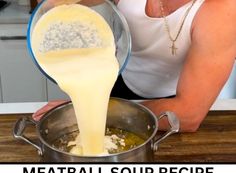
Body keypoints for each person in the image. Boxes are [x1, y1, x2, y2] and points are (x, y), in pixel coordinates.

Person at [34, 0, 236, 132]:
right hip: (114, 85)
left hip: (170, 102)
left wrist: (86, 112)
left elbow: (188, 114)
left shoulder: (223, 10)